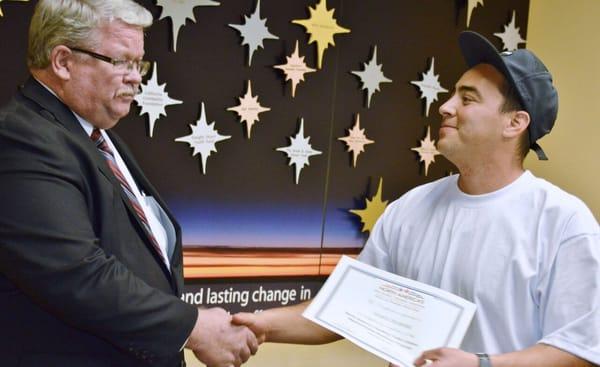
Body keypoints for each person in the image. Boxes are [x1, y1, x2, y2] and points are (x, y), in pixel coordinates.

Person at [233, 31, 600, 367]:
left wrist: (480, 365)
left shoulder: (562, 222)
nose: (445, 105)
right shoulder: (410, 207)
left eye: (467, 99)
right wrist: (263, 325)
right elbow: (348, 307)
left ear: (515, 124)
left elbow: (579, 350)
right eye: (453, 93)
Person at [0, 1, 258, 366]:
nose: (136, 77)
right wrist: (192, 327)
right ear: (62, 61)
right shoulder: (21, 138)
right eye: (121, 61)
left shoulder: (96, 136)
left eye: (139, 64)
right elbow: (77, 273)